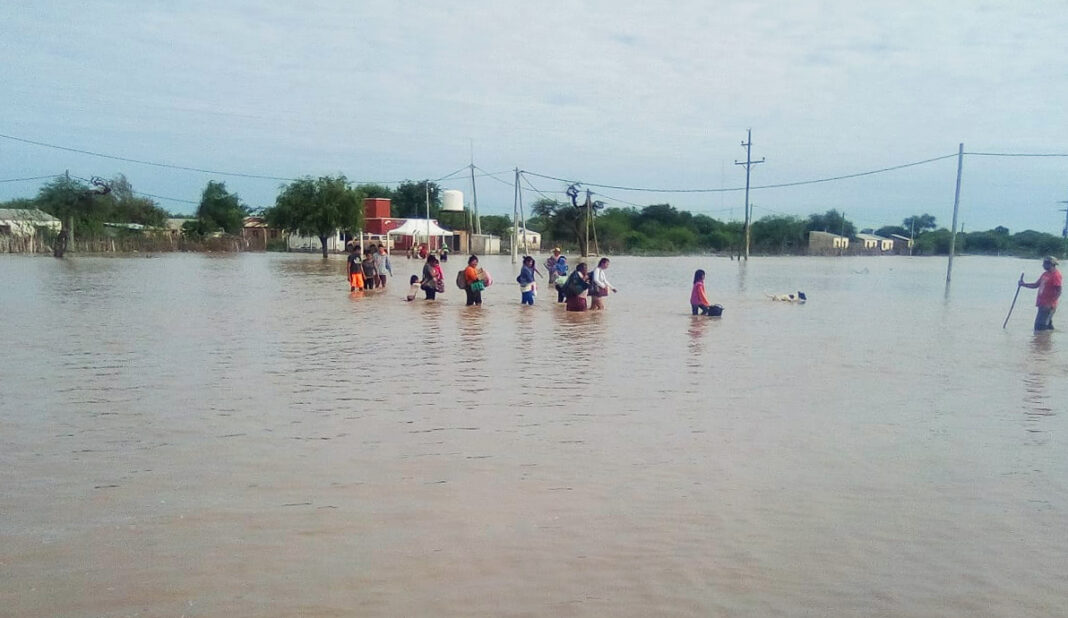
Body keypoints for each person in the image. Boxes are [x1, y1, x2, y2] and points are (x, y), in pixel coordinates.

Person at [1019, 256, 1062, 331]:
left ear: (1051, 264)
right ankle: (1047, 341)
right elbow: (1036, 285)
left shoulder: (1056, 275)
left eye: (1045, 263)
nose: (1043, 265)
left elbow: (1058, 291)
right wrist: (1023, 284)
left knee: (1039, 327)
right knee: (1047, 327)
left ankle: (1041, 341)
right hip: (1042, 304)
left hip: (1048, 306)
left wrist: (1050, 304)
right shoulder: (1045, 274)